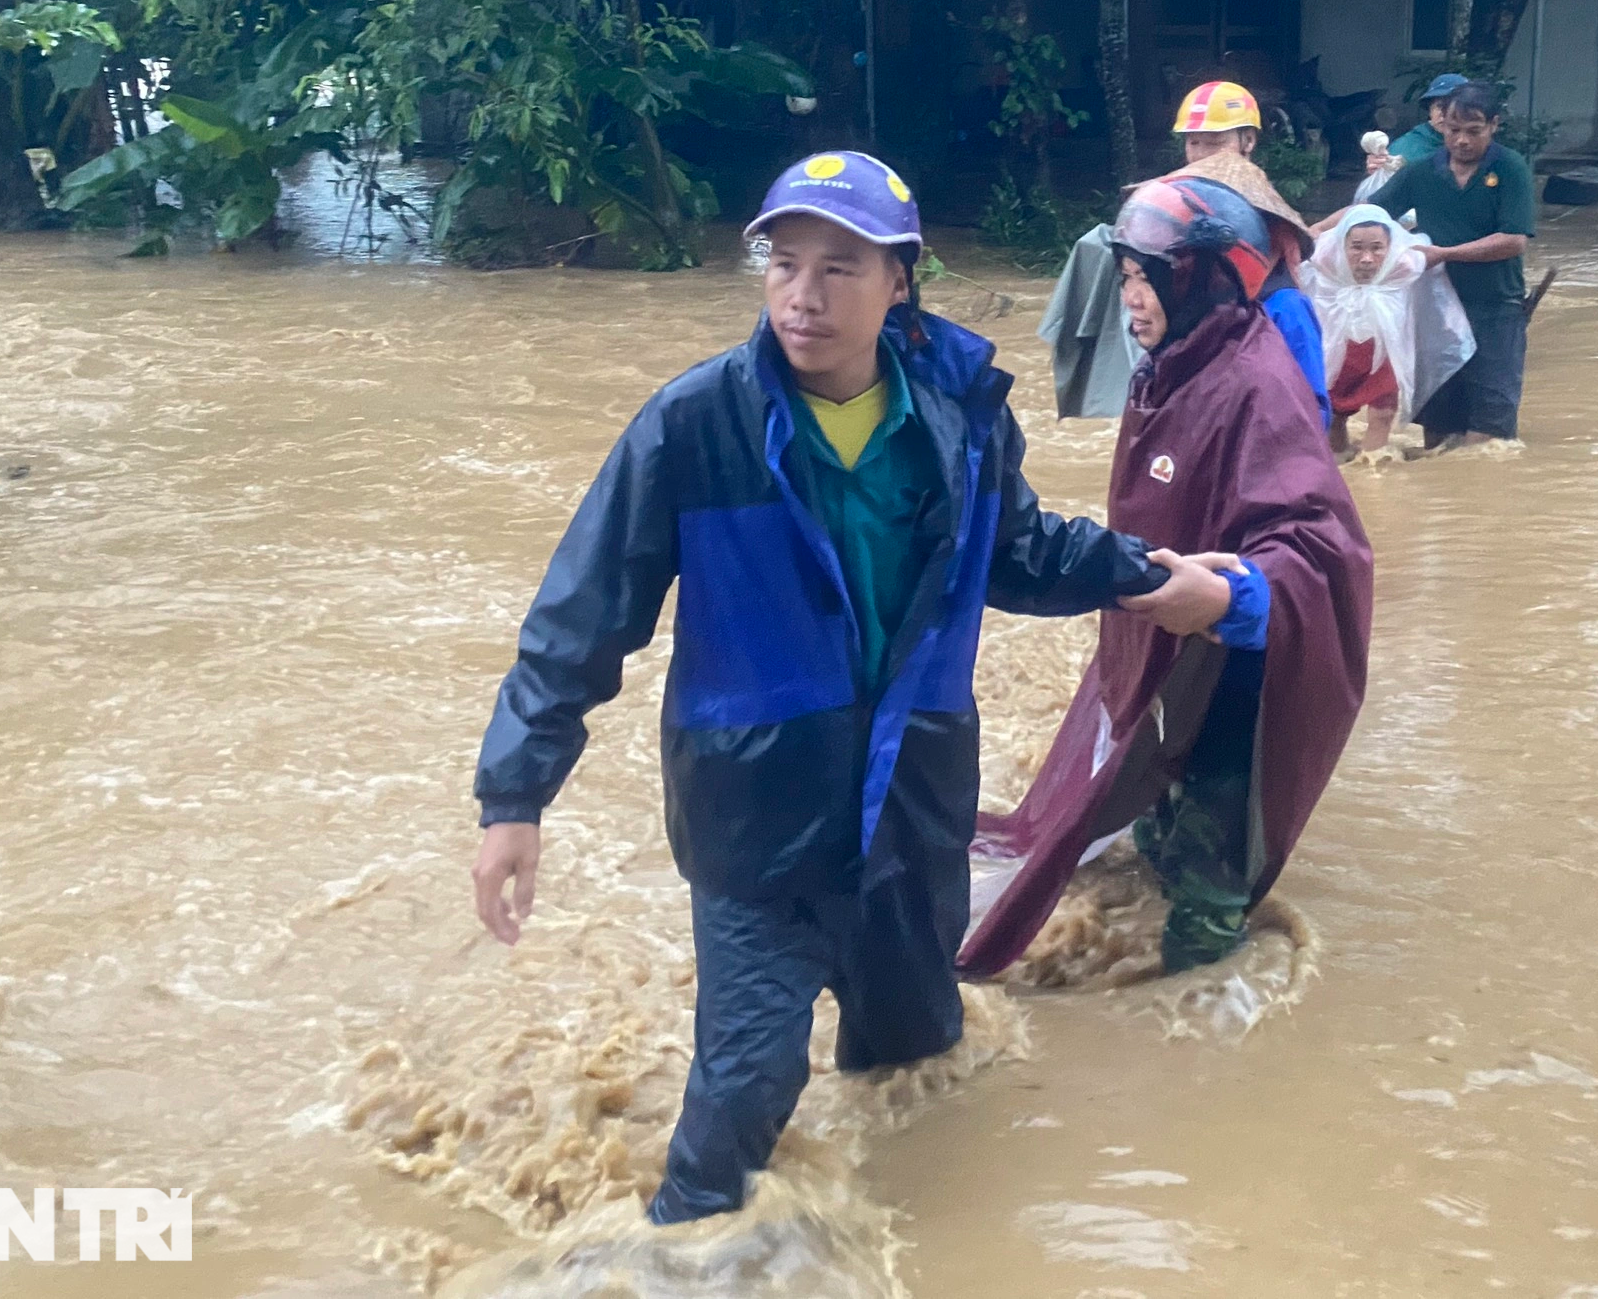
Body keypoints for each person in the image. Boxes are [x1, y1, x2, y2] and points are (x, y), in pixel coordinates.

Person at [466, 150, 1236, 1226]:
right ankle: (680, 1260)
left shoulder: (958, 417)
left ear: (900, 282)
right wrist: (514, 798)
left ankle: (923, 1237)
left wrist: (1159, 577)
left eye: (839, 266)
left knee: (914, 1059)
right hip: (758, 824)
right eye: (782, 263)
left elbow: (1017, 552)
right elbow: (582, 615)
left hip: (914, 811)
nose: (802, 294)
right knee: (740, 1096)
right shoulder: (695, 427)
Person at [958, 176, 1373, 978]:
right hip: (1170, 654)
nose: (1134, 300)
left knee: (1209, 899)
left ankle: (1198, 1025)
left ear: (1208, 280)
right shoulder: (1178, 363)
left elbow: (1324, 544)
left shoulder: (1255, 381)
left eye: (1149, 279)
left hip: (1236, 681)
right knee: (1150, 823)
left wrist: (1227, 596)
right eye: (1126, 280)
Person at [1334, 80, 1534, 447]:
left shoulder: (1510, 168)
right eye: (1453, 130)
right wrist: (1314, 230)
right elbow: (1369, 214)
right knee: (1439, 429)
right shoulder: (1423, 170)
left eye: (1473, 132)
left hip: (1495, 308)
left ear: (1494, 125)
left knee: (1490, 432)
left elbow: (1513, 240)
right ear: (1441, 125)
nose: (1461, 141)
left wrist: (1444, 254)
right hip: (1435, 309)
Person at [1166, 80, 1331, 432]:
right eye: (1195, 142)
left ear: (1249, 142)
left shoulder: (1285, 307)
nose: (1203, 155)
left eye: (1216, 143)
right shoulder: (1176, 290)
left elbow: (1311, 414)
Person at [1298, 204, 1474, 458]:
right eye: (1356, 247)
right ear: (1342, 244)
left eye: (1377, 248)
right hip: (1338, 345)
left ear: (1389, 247)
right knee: (1335, 412)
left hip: (1385, 347)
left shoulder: (1403, 262)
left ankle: (1373, 468)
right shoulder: (1323, 258)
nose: (1367, 258)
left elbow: (1434, 256)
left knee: (1383, 411)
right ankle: (1340, 458)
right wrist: (1319, 227)